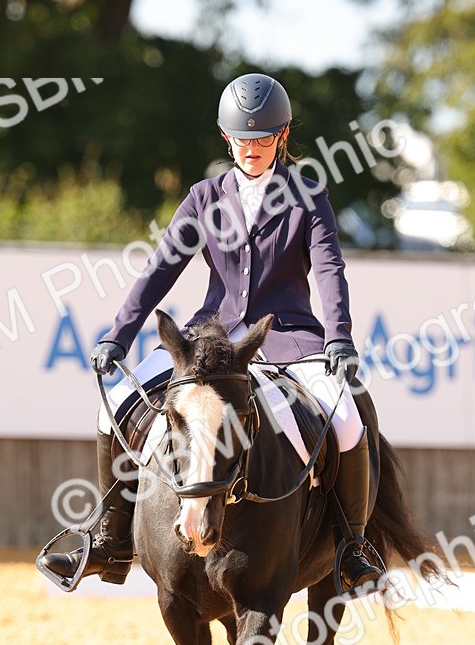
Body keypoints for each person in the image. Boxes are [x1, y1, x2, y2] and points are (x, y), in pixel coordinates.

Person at [40, 72, 383, 596]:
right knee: (110, 402)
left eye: (263, 139)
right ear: (228, 139)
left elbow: (329, 268)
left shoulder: (308, 195)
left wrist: (339, 337)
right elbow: (161, 268)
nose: (252, 149)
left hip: (287, 338)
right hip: (210, 343)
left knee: (348, 421)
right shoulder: (205, 197)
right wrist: (118, 334)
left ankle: (353, 547)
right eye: (243, 140)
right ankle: (111, 539)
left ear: (282, 136)